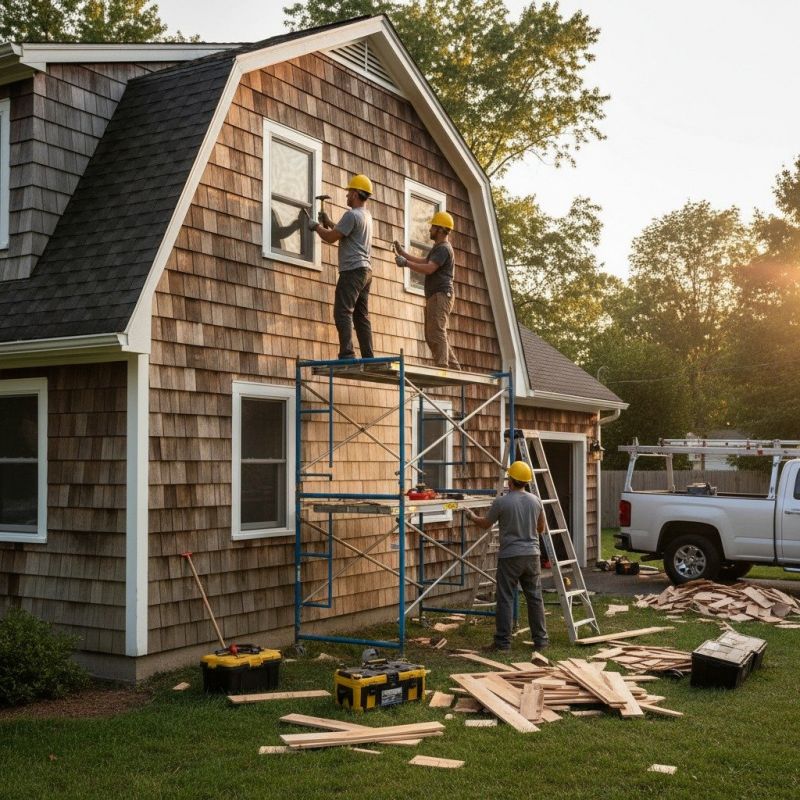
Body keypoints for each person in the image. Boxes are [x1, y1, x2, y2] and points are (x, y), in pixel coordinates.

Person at [465, 460, 549, 652]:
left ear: (510, 481)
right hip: (532, 555)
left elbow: (486, 523)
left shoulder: (502, 502)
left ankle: (503, 643)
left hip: (510, 556)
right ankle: (541, 641)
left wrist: (471, 516)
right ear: (526, 482)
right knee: (535, 598)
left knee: (505, 598)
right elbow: (541, 528)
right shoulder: (536, 501)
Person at [308, 174, 375, 361]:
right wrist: (328, 223)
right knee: (361, 315)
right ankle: (368, 355)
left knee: (342, 311)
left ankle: (347, 353)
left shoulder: (351, 215)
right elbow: (345, 232)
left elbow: (330, 238)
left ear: (355, 194)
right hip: (366, 271)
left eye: (348, 193)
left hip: (352, 271)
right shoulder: (366, 216)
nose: (346, 196)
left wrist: (315, 227)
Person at [392, 211, 460, 369]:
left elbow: (429, 268)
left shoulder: (444, 248)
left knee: (436, 330)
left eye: (433, 227)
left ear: (441, 230)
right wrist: (403, 254)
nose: (430, 230)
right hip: (435, 295)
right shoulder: (438, 248)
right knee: (432, 333)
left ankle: (443, 365)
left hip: (441, 295)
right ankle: (453, 365)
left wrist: (406, 264)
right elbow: (424, 260)